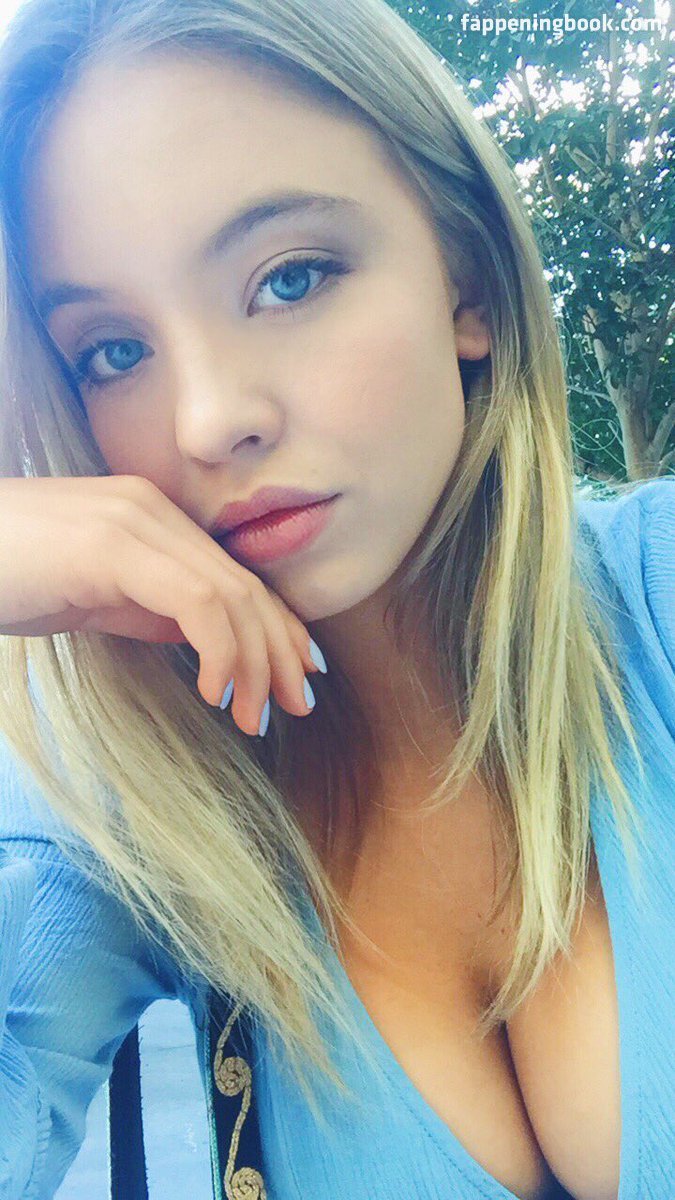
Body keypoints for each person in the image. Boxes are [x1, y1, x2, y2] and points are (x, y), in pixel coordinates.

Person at [0, 0, 672, 1197]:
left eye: (290, 278)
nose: (210, 420)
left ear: (466, 277)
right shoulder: (131, 805)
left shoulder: (655, 599)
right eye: (114, 351)